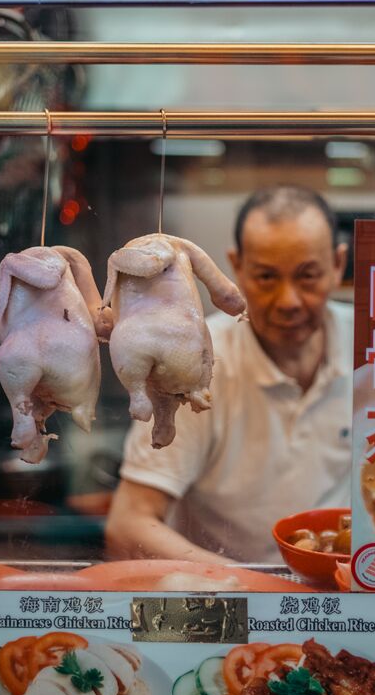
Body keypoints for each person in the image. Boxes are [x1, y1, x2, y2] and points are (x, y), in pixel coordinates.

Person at [105, 185, 352, 564]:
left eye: (307, 276)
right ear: (235, 266)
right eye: (266, 277)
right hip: (230, 601)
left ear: (337, 265)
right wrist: (261, 592)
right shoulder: (197, 360)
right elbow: (129, 525)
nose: (288, 301)